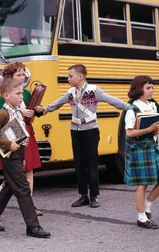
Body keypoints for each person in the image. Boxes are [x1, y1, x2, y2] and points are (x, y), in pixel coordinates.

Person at [40, 64, 129, 208]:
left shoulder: (93, 91)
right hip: (75, 130)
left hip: (90, 130)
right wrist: (44, 109)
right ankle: (83, 196)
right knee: (79, 164)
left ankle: (94, 196)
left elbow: (112, 100)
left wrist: (130, 108)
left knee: (91, 164)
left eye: (70, 76)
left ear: (80, 77)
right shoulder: (70, 93)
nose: (68, 78)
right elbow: (57, 104)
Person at [0, 78, 50, 238]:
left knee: (10, 187)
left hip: (18, 155)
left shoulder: (17, 111)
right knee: (23, 188)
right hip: (9, 156)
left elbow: (21, 136)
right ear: (6, 96)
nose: (22, 96)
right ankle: (33, 226)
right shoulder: (2, 114)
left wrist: (23, 157)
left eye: (21, 93)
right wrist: (8, 144)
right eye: (18, 93)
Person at [0, 62, 44, 216]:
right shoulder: (5, 95)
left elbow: (34, 109)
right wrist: (22, 113)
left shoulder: (27, 93)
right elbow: (1, 117)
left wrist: (39, 110)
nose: (23, 77)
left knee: (29, 170)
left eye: (24, 74)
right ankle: (3, 189)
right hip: (13, 135)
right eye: (19, 75)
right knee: (17, 171)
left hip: (27, 131)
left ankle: (30, 204)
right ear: (10, 78)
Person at [124, 75, 159, 229]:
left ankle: (147, 205)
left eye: (152, 87)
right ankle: (142, 217)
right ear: (139, 89)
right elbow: (129, 133)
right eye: (148, 88)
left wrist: (155, 131)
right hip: (139, 148)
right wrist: (149, 129)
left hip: (152, 145)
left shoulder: (152, 106)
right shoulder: (132, 109)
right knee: (142, 184)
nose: (152, 90)